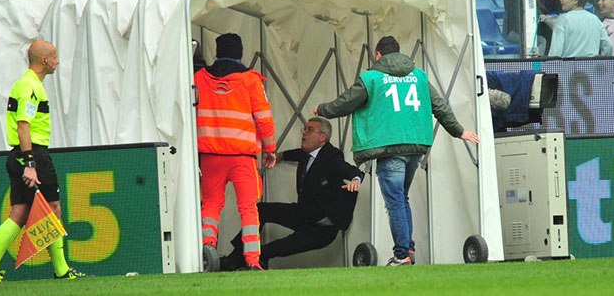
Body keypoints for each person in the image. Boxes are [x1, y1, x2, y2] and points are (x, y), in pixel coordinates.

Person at [314, 36, 480, 266]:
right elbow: (439, 106)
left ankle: (401, 255)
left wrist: (322, 109)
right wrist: (459, 131)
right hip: (415, 146)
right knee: (401, 199)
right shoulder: (420, 76)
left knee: (394, 203)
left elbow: (345, 103)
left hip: (390, 147)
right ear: (399, 53)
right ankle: (408, 250)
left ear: (378, 55)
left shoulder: (371, 78)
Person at [0, 40, 91, 283]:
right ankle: (62, 271)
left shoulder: (25, 84)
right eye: (55, 57)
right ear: (45, 61)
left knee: (19, 213)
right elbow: (23, 126)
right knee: (53, 209)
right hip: (33, 156)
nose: (57, 61)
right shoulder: (30, 87)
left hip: (19, 156)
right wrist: (30, 163)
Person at [222, 117, 364, 270]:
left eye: (310, 130)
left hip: (320, 230)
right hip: (302, 214)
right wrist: (277, 156)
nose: (304, 132)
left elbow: (350, 170)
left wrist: (355, 179)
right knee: (260, 210)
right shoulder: (306, 153)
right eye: (304, 128)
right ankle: (234, 258)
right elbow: (295, 154)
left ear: (322, 137)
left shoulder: (332, 157)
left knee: (273, 249)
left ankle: (251, 262)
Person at [194, 33, 277, 271]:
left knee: (210, 206)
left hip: (210, 156)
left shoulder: (199, 77)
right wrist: (270, 149)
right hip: (242, 157)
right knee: (249, 209)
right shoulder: (251, 80)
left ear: (217, 52)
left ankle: (206, 252)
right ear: (240, 54)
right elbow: (265, 119)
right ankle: (252, 261)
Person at [548, 0, 613, 57]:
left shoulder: (563, 20)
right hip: (591, 66)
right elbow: (608, 45)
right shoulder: (595, 19)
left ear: (575, 0)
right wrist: (600, 62)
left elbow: (555, 52)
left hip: (568, 67)